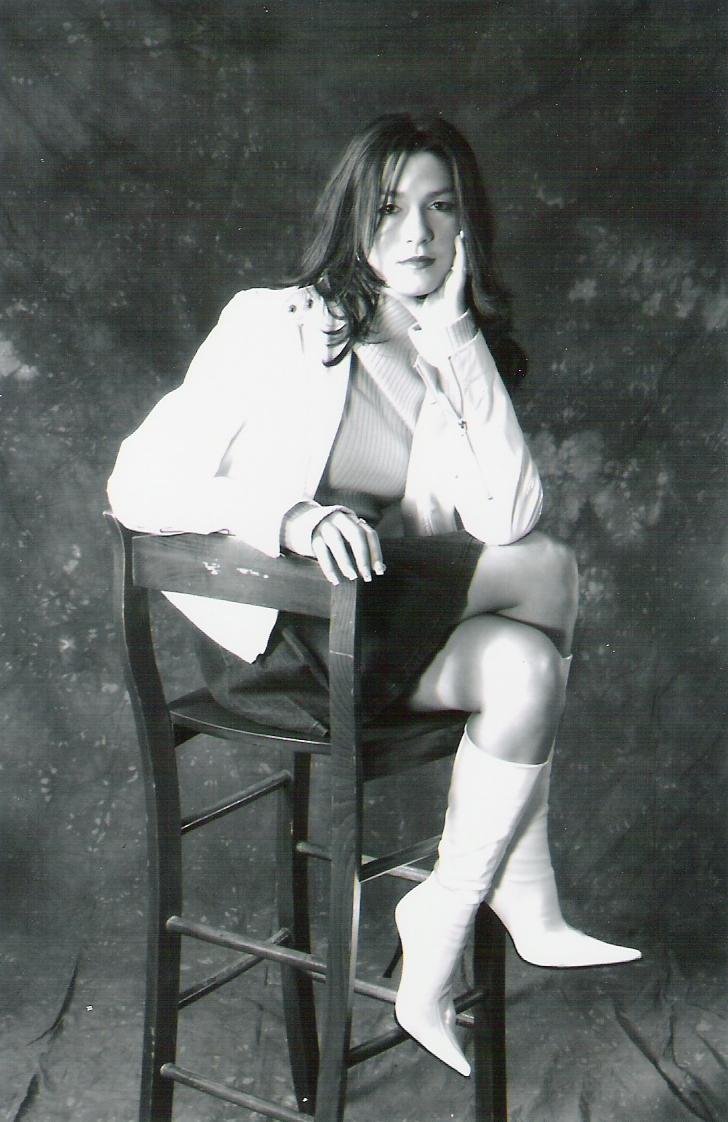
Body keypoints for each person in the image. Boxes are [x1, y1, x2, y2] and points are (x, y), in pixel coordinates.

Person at [108, 113, 640, 1078]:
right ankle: (522, 890)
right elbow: (136, 481)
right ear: (354, 215)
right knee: (553, 575)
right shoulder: (273, 323)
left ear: (467, 226)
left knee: (528, 667)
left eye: (442, 208)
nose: (417, 233)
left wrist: (459, 335)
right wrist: (293, 518)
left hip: (374, 628)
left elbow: (508, 515)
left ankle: (437, 931)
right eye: (391, 207)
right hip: (281, 636)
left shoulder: (445, 351)